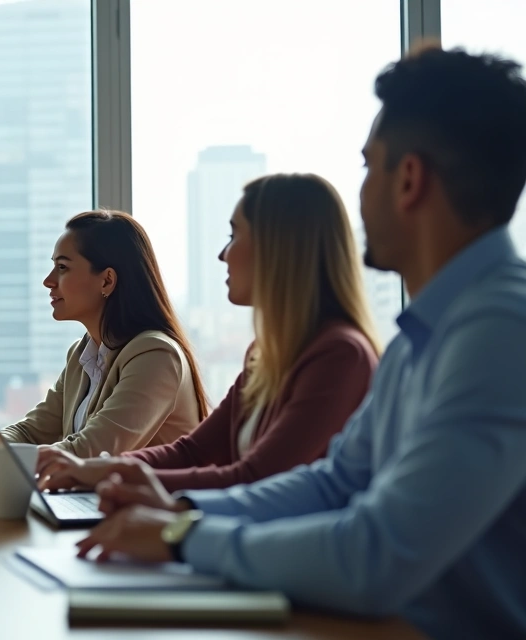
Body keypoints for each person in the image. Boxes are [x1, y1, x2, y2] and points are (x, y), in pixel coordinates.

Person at [75, 46, 526, 638]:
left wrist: (181, 535)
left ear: (409, 180)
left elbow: (375, 553)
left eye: (368, 166)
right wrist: (180, 510)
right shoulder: (423, 339)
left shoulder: (501, 332)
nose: (359, 195)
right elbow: (336, 483)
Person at [38, 174, 380, 494]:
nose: (222, 254)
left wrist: (113, 476)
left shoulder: (340, 355)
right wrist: (103, 470)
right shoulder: (265, 354)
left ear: (277, 248)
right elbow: (195, 451)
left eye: (233, 236)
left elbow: (254, 479)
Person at [0, 211, 208, 478]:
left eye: (62, 268)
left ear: (106, 281)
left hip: (151, 518)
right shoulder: (82, 354)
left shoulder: (156, 356)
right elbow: (32, 431)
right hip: (99, 507)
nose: (48, 281)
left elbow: (89, 453)